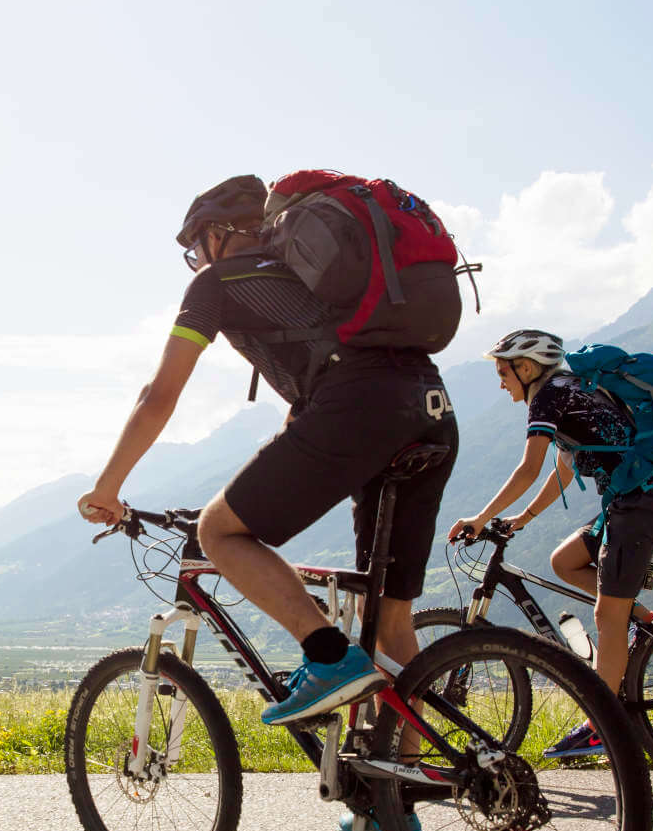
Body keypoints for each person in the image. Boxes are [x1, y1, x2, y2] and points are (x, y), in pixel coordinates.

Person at [77, 173, 460, 743]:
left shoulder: (218, 282)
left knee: (219, 532)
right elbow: (321, 387)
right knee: (392, 617)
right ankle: (397, 792)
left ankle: (328, 655)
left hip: (359, 411)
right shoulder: (323, 281)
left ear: (217, 234)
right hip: (431, 408)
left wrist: (106, 488)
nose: (196, 259)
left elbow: (159, 396)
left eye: (194, 246)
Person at [448, 329, 653, 758]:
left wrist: (479, 518)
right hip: (645, 497)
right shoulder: (572, 390)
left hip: (643, 501)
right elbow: (563, 469)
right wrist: (520, 520)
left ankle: (602, 726)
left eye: (504, 371)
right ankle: (641, 621)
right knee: (566, 561)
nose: (501, 381)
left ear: (527, 367)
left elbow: (528, 469)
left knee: (606, 614)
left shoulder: (549, 396)